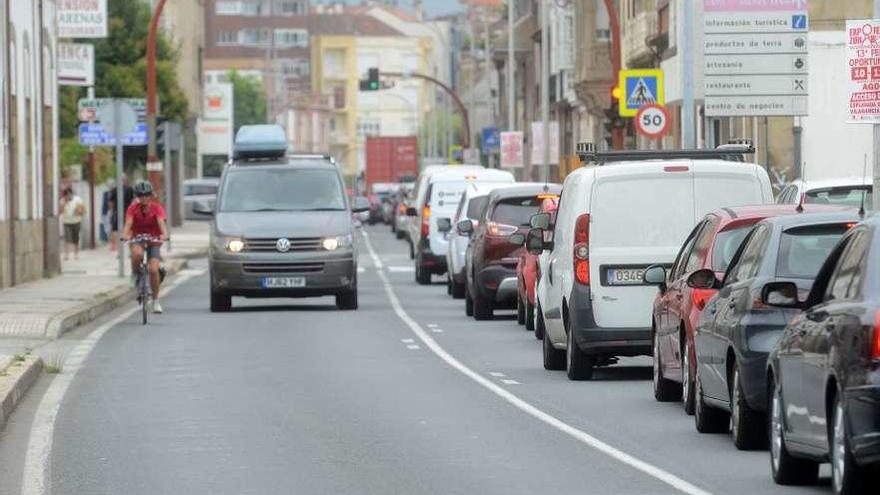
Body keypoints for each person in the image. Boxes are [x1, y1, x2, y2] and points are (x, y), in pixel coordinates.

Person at [123, 181, 168, 314]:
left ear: (151, 195)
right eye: (141, 195)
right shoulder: (132, 208)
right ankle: (135, 274)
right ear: (137, 196)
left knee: (154, 269)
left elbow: (161, 223)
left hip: (153, 241)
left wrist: (164, 235)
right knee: (136, 254)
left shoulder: (157, 208)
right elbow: (128, 224)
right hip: (137, 238)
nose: (144, 198)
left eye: (147, 195)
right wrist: (125, 235)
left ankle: (155, 301)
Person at [108, 174, 134, 252]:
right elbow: (133, 201)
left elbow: (110, 202)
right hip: (128, 212)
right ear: (125, 180)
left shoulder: (115, 189)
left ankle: (118, 249)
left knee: (116, 230)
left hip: (117, 212)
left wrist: (112, 211)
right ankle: (130, 250)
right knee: (130, 230)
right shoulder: (130, 189)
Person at [59, 187, 85, 261]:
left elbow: (82, 210)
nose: (68, 196)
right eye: (66, 195)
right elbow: (60, 211)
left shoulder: (77, 199)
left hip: (76, 221)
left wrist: (78, 211)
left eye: (69, 194)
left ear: (71, 193)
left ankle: (76, 254)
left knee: (75, 238)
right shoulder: (62, 201)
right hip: (66, 222)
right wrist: (64, 203)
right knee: (67, 238)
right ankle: (66, 254)